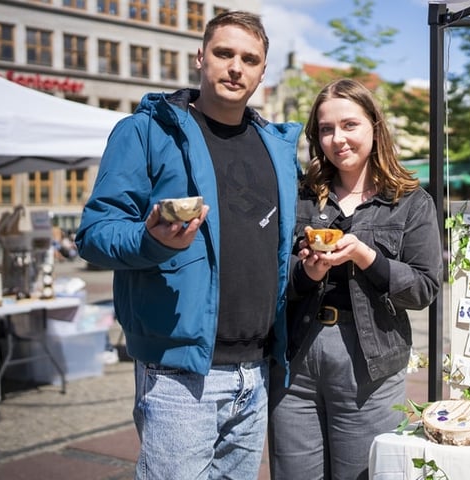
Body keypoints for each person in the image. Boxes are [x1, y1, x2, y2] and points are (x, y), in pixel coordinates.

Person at [75, 11, 302, 479]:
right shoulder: (146, 131)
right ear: (200, 57)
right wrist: (150, 239)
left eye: (250, 59)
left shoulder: (275, 147)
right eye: (224, 53)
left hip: (255, 374)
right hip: (179, 376)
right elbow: (94, 235)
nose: (236, 67)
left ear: (262, 72)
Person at [268, 78, 443, 480]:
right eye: (326, 129)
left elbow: (423, 289)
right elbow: (276, 276)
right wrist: (307, 273)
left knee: (361, 474)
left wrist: (366, 256)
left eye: (350, 125)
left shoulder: (411, 201)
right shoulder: (301, 197)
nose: (337, 139)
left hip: (370, 360)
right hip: (296, 353)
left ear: (374, 128)